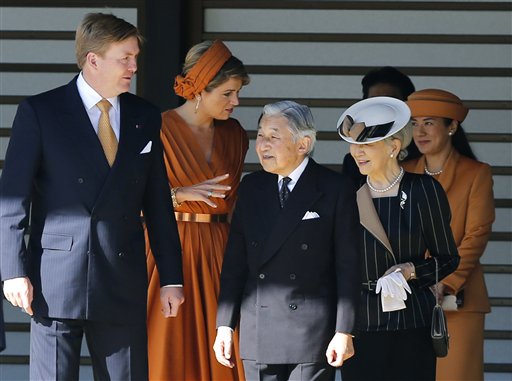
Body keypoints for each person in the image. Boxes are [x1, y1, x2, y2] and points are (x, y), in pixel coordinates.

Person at [0, 13, 184, 380]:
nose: (134, 66)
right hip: (55, 279)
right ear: (93, 59)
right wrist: (13, 272)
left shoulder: (144, 115)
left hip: (122, 276)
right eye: (125, 58)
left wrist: (171, 278)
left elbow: (158, 201)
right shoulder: (40, 112)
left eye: (135, 57)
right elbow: (12, 199)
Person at [214, 100, 361, 381]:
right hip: (258, 327)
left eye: (273, 137)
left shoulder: (334, 188)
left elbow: (348, 264)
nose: (262, 145)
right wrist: (224, 325)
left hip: (311, 331)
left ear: (303, 144)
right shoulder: (252, 187)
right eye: (260, 135)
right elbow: (235, 262)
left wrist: (344, 330)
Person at [145, 40, 250, 381]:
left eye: (237, 93)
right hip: (166, 249)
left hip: (221, 249)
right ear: (201, 89)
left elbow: (235, 204)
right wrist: (178, 194)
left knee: (226, 350)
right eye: (228, 93)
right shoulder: (156, 128)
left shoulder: (235, 134)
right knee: (167, 350)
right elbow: (126, 201)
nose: (236, 102)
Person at [337, 96, 460, 381]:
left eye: (367, 145)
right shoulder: (345, 195)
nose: (357, 152)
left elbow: (448, 259)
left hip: (411, 324)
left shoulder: (423, 190)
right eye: (354, 145)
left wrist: (412, 270)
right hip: (361, 325)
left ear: (393, 147)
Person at [403, 89, 495, 381]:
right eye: (414, 123)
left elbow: (476, 236)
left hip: (459, 300)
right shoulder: (402, 172)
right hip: (411, 300)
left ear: (452, 126)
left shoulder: (476, 173)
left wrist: (446, 281)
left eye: (429, 122)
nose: (420, 131)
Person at [342, 66, 418, 183]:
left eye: (389, 102)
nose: (380, 108)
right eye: (374, 102)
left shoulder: (422, 154)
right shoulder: (353, 162)